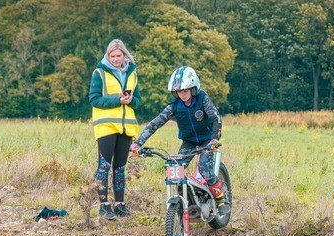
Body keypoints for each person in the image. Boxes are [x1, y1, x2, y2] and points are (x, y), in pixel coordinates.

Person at [131, 66, 229, 215]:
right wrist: (138, 143)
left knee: (204, 169)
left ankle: (221, 199)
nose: (182, 95)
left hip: (207, 140)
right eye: (179, 92)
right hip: (188, 141)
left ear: (193, 88)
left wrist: (214, 139)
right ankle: (188, 202)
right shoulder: (174, 106)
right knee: (175, 171)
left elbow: (215, 118)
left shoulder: (202, 99)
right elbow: (155, 124)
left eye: (185, 91)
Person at [89, 39, 141, 219]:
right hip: (106, 125)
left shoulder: (132, 73)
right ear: (107, 55)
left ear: (124, 55)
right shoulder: (99, 73)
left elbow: (138, 101)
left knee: (120, 167)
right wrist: (116, 100)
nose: (116, 59)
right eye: (112, 56)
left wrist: (130, 100)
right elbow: (94, 99)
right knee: (104, 165)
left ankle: (119, 205)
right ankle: (104, 206)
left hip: (126, 126)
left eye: (119, 56)